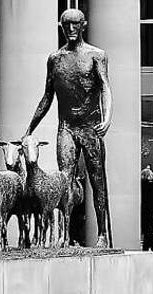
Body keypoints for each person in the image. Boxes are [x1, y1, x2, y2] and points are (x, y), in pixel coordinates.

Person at [25, 8, 113, 248]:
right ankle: (65, 235)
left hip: (90, 127)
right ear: (61, 27)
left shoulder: (97, 55)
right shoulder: (55, 59)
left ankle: (102, 233)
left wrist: (108, 116)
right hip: (67, 128)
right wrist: (30, 129)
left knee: (97, 180)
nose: (71, 29)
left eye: (75, 25)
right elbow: (47, 97)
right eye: (66, 25)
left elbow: (105, 86)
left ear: (83, 25)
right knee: (66, 181)